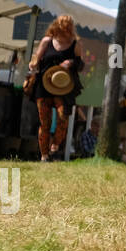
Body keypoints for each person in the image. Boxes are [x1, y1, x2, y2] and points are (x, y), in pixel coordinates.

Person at [27, 15, 85, 162]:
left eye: (68, 28)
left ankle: (56, 143)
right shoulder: (47, 41)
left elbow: (81, 65)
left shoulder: (75, 44)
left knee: (63, 117)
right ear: (56, 27)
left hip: (64, 87)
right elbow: (35, 59)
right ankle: (44, 155)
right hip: (44, 85)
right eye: (62, 27)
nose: (65, 31)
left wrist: (71, 62)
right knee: (44, 123)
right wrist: (32, 65)